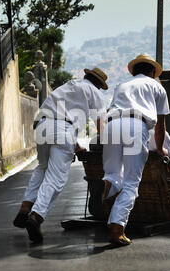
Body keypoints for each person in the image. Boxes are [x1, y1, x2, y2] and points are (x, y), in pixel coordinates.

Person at [13, 67, 108, 243]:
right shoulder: (94, 93)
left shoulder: (68, 86)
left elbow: (62, 119)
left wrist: (75, 144)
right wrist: (109, 147)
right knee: (56, 178)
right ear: (99, 85)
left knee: (42, 168)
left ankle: (26, 207)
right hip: (63, 130)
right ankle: (36, 216)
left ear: (85, 76)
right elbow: (101, 125)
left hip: (42, 125)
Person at [102, 54, 169, 246]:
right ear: (152, 72)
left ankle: (110, 183)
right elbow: (161, 124)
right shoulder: (157, 87)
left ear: (135, 70)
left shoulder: (122, 85)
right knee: (132, 182)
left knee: (114, 172)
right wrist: (161, 148)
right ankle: (117, 228)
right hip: (135, 125)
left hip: (113, 125)